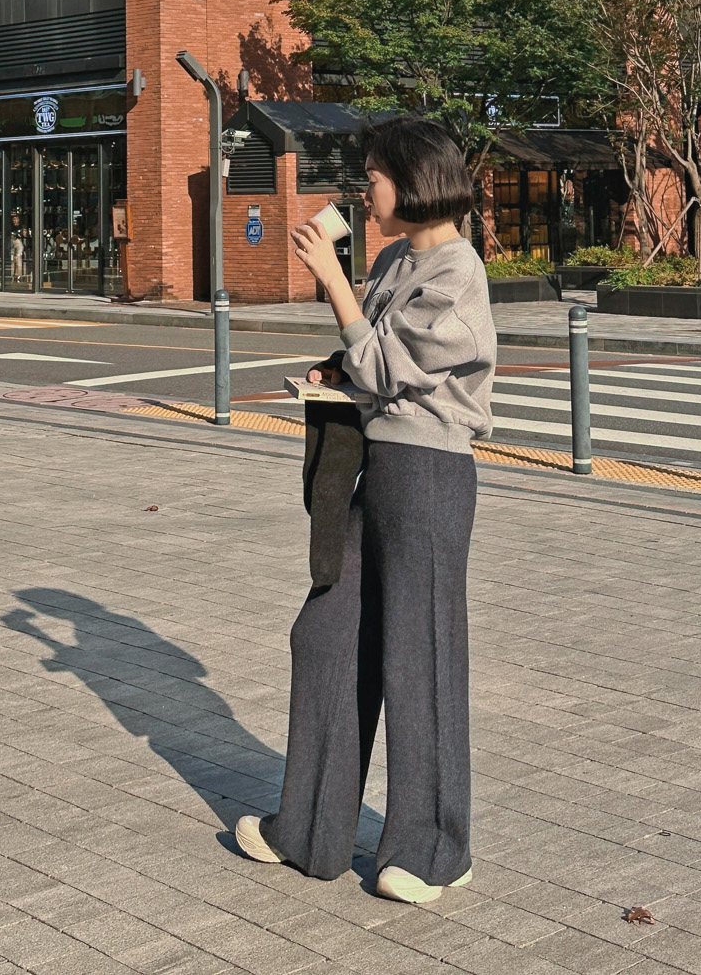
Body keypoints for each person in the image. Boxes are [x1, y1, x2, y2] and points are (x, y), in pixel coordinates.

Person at [235, 117, 497, 904]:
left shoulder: (459, 272)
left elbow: (388, 364)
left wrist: (333, 282)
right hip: (376, 467)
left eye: (375, 176)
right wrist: (329, 371)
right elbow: (363, 361)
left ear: (413, 182)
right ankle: (310, 829)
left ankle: (434, 848)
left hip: (430, 473)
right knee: (325, 632)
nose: (365, 190)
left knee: (420, 654)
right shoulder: (392, 260)